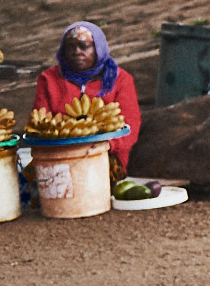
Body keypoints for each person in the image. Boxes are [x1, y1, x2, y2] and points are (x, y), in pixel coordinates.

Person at [31, 22, 142, 173]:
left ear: (98, 49)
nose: (77, 52)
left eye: (84, 46)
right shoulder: (48, 79)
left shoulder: (120, 79)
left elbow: (131, 126)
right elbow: (39, 123)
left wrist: (104, 146)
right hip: (58, 160)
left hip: (107, 160)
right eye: (70, 47)